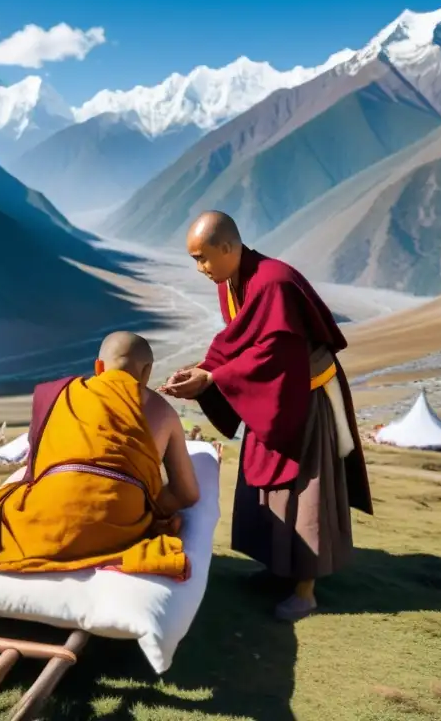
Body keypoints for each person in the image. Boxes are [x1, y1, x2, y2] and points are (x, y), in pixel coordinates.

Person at [160, 211, 373, 621]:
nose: (200, 268)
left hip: (304, 397)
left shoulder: (274, 282)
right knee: (266, 488)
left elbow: (276, 356)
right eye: (194, 260)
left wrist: (213, 379)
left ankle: (305, 590)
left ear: (228, 247)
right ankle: (278, 569)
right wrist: (205, 368)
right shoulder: (231, 282)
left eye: (203, 257)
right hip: (272, 395)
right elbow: (237, 340)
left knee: (304, 489)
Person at [0, 332, 200, 579]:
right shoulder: (165, 412)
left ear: (98, 367)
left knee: (6, 498)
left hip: (44, 521)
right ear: (147, 372)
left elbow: (37, 466)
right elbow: (187, 493)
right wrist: (151, 505)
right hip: (118, 530)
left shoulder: (61, 394)